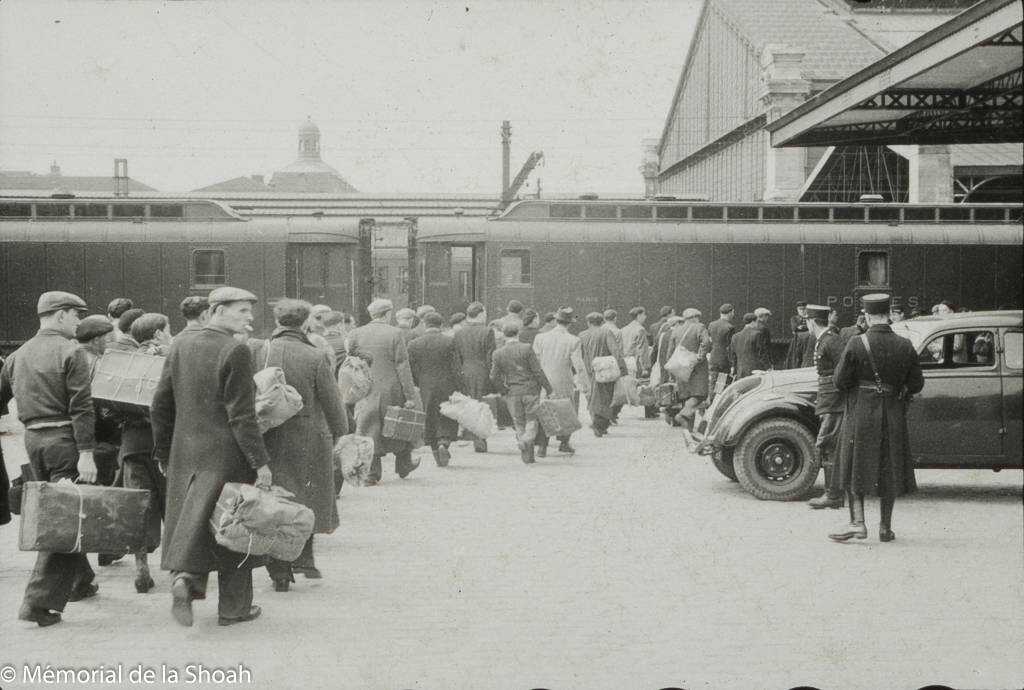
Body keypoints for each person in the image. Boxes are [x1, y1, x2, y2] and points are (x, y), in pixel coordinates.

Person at [151, 287, 272, 627]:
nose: (250, 317)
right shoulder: (236, 350)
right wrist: (260, 462)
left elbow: (160, 404)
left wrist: (163, 451)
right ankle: (235, 609)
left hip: (186, 454)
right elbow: (242, 416)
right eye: (243, 310)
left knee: (195, 521)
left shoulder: (179, 345)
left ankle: (186, 581)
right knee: (234, 525)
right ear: (217, 310)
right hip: (228, 454)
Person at [2, 291, 97, 627]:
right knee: (66, 519)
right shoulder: (71, 352)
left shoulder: (16, 356)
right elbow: (82, 407)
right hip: (64, 441)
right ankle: (37, 604)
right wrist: (87, 452)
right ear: (60, 315)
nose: (79, 322)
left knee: (62, 510)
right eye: (76, 316)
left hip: (34, 442)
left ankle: (81, 581)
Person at [250, 300, 347, 591]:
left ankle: (278, 570)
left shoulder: (258, 351)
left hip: (267, 435)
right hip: (308, 438)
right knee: (305, 498)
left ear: (277, 321)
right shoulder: (314, 356)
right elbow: (333, 404)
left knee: (274, 499)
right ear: (305, 323)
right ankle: (304, 558)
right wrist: (342, 432)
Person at [828, 293, 924, 543]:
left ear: (868, 317)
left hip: (860, 414)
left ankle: (858, 523)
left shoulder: (857, 343)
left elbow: (840, 381)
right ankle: (885, 528)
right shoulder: (905, 344)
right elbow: (916, 383)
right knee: (889, 468)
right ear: (890, 316)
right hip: (892, 414)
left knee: (853, 465)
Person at [117, 313, 172, 593]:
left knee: (138, 506)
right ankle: (177, 569)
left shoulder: (121, 360)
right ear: (160, 333)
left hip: (131, 445)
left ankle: (141, 568)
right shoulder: (167, 359)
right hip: (163, 444)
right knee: (171, 506)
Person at [347, 298, 422, 484]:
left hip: (365, 389)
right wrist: (410, 395)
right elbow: (402, 366)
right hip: (391, 387)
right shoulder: (395, 333)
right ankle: (404, 465)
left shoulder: (356, 333)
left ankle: (372, 474)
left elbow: (351, 365)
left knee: (369, 428)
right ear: (388, 314)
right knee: (399, 424)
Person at [804, 305, 847, 511]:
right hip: (828, 398)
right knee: (828, 445)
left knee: (829, 444)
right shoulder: (826, 339)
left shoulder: (831, 340)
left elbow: (844, 369)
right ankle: (832, 493)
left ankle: (834, 495)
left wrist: (836, 396)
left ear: (811, 322)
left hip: (833, 400)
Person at [490, 323, 552, 463]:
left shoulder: (498, 353)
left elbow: (493, 376)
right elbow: (537, 371)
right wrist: (548, 388)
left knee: (519, 423)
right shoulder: (526, 348)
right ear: (518, 333)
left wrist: (503, 390)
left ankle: (527, 454)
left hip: (512, 392)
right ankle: (525, 441)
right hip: (530, 390)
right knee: (532, 420)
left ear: (504, 335)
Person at [408, 312, 462, 467]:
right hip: (447, 385)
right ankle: (444, 443)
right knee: (447, 415)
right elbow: (457, 368)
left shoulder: (414, 344)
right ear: (441, 324)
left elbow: (412, 369)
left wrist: (419, 382)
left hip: (426, 386)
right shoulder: (450, 342)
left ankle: (435, 452)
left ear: (425, 324)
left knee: (430, 417)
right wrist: (460, 387)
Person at [532, 307, 585, 454]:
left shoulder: (540, 338)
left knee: (545, 410)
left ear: (556, 320)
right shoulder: (574, 340)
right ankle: (564, 443)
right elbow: (578, 366)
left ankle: (542, 446)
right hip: (564, 381)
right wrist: (585, 385)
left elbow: (535, 361)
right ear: (569, 323)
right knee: (566, 411)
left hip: (544, 381)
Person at [452, 302, 496, 453]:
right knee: (479, 406)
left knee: (468, 403)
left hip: (464, 371)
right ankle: (479, 439)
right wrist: (492, 376)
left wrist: (459, 373)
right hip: (481, 371)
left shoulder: (459, 333)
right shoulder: (488, 331)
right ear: (481, 314)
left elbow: (456, 357)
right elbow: (490, 357)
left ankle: (466, 433)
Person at [578, 312, 627, 437]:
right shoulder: (606, 333)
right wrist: (622, 368)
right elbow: (615, 351)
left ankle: (597, 422)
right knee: (605, 397)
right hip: (604, 370)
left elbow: (579, 355)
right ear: (601, 322)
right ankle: (600, 425)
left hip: (588, 369)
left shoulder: (582, 335)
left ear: (588, 323)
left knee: (592, 396)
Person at [665, 308, 711, 431]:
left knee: (686, 396)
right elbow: (706, 342)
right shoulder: (699, 327)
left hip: (681, 368)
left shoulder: (676, 330)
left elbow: (669, 353)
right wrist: (700, 357)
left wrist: (672, 371)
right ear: (695, 317)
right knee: (700, 394)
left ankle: (688, 429)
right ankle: (683, 415)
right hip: (697, 368)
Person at [706, 304, 736, 404]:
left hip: (713, 358)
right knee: (722, 384)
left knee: (713, 383)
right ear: (730, 312)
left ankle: (710, 404)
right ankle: (717, 405)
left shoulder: (711, 324)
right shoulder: (730, 327)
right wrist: (732, 364)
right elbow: (729, 347)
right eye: (733, 312)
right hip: (724, 360)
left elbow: (709, 341)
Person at [731, 311, 770, 379]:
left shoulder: (735, 336)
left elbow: (733, 356)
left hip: (740, 371)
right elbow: (762, 354)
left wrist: (734, 371)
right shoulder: (757, 334)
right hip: (755, 371)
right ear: (753, 322)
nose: (757, 324)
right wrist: (768, 367)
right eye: (756, 322)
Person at [785, 302, 811, 369]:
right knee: (796, 357)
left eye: (804, 309)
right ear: (797, 310)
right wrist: (803, 328)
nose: (802, 311)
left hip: (808, 340)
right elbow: (794, 328)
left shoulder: (809, 318)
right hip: (797, 341)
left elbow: (810, 328)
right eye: (800, 309)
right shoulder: (794, 318)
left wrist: (801, 327)